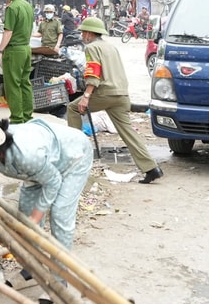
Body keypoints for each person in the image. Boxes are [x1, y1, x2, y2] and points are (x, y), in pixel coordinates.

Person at [0, 117, 93, 304]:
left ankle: (59, 282)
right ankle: (31, 269)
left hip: (73, 158)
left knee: (60, 214)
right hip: (43, 167)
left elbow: (53, 182)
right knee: (25, 212)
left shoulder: (27, 156)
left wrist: (36, 218)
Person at [67, 17, 163, 184]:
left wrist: (86, 97)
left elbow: (93, 74)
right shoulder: (110, 47)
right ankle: (151, 168)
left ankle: (75, 157)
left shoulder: (91, 47)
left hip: (105, 94)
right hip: (122, 95)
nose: (82, 35)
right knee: (128, 132)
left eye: (83, 32)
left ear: (90, 33)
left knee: (73, 109)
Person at [0, 0, 34, 123]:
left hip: (14, 50)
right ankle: (28, 115)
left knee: (13, 84)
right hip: (26, 49)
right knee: (25, 82)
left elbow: (8, 32)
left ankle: (17, 117)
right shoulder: (27, 6)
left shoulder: (12, 8)